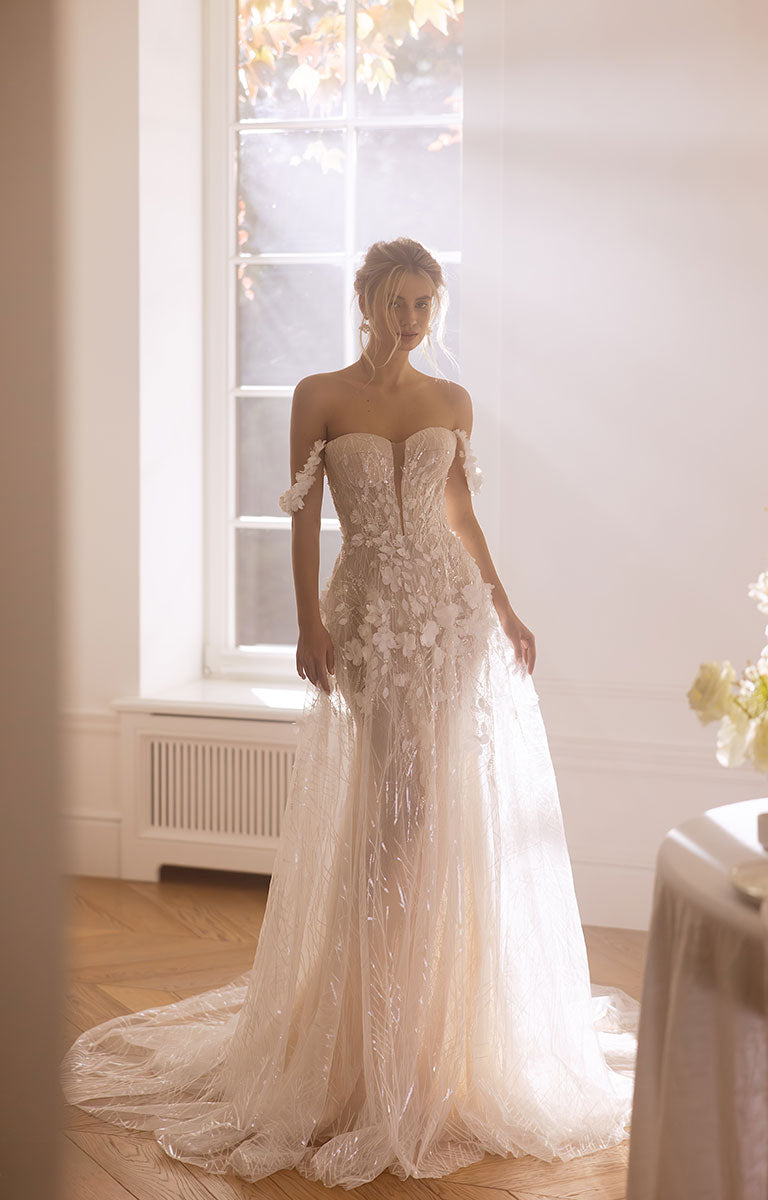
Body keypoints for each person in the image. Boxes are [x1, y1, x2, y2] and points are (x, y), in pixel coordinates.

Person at [60, 236, 640, 1189]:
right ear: (368, 299)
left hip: (448, 618)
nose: (414, 320)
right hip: (367, 617)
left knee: (439, 803)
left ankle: (435, 1026)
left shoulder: (451, 402)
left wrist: (502, 601)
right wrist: (304, 620)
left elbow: (460, 514)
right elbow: (301, 515)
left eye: (427, 305)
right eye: (400, 302)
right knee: (391, 808)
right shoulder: (318, 394)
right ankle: (362, 1027)